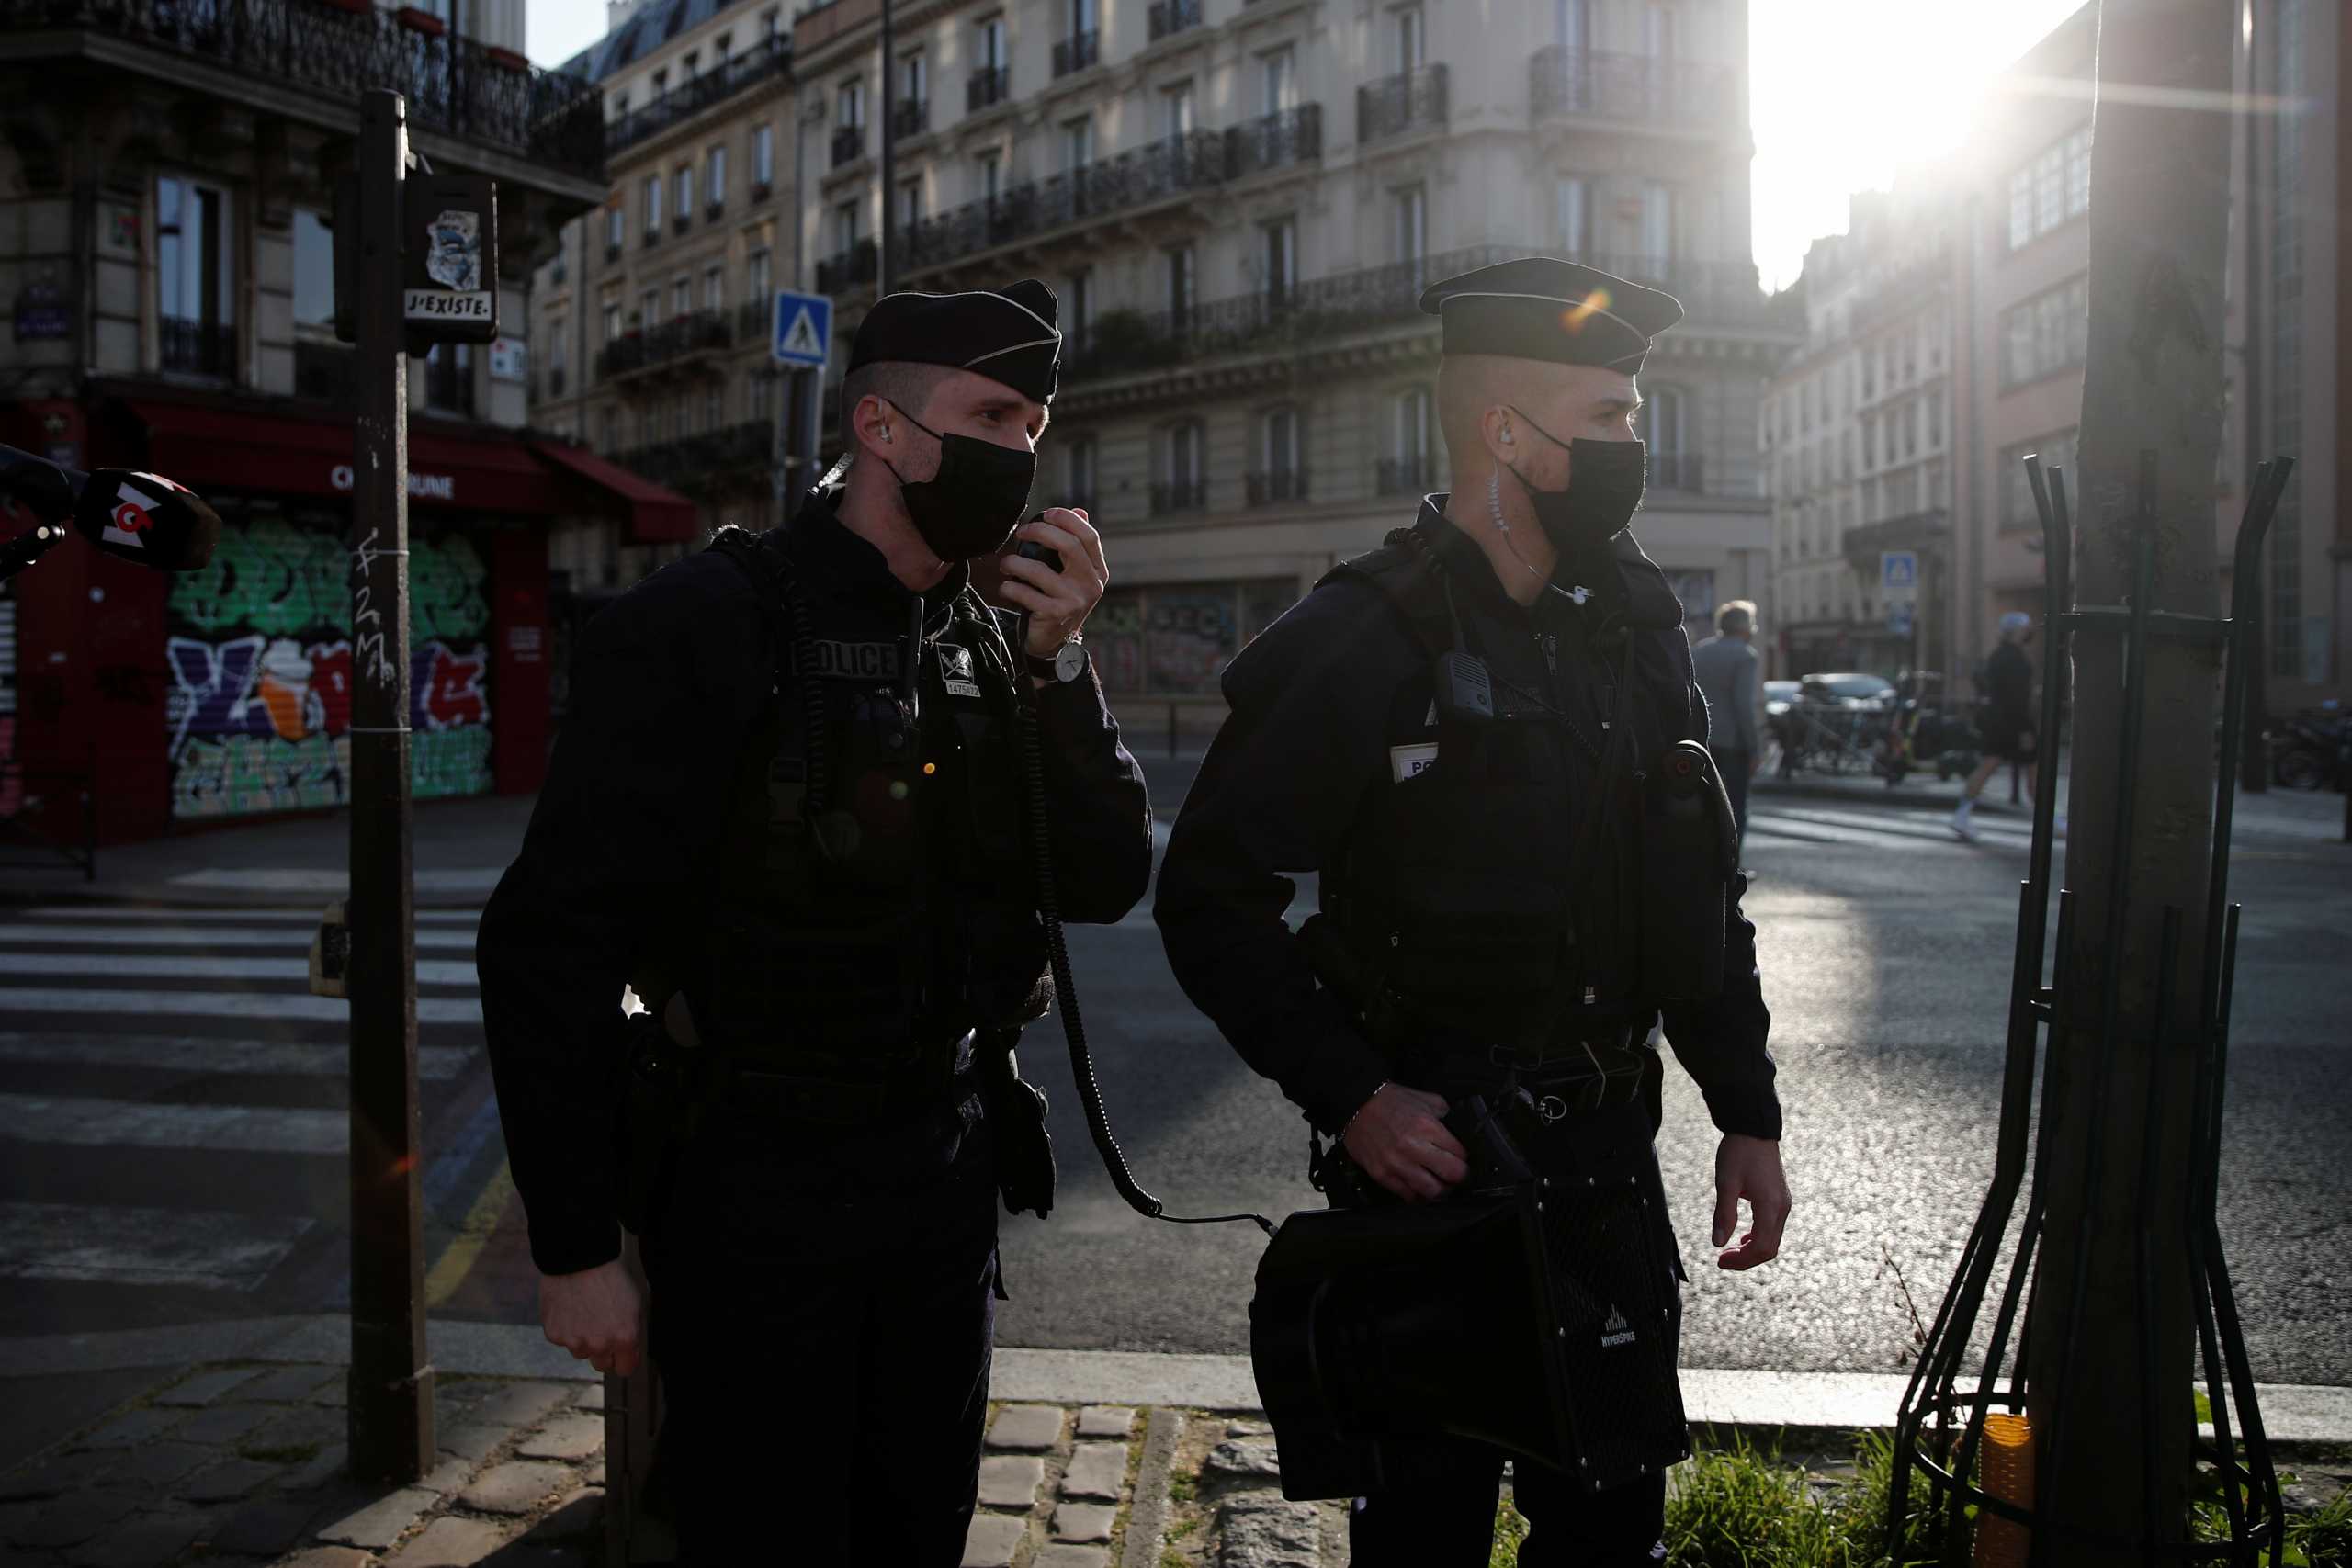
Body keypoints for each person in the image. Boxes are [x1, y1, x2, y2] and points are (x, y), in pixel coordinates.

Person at [475, 280, 1152, 1564]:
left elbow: (1106, 876)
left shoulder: (990, 636)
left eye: (1037, 423)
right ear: (884, 428)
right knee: (757, 1526)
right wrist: (573, 1246)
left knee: (919, 1521)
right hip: (752, 1186)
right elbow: (547, 948)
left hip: (942, 1178)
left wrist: (1063, 667)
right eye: (992, 414)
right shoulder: (704, 626)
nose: (1020, 452)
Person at [1154, 257, 1791, 1567]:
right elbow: (1213, 895)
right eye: (1608, 416)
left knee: (1610, 1530)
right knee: (1426, 1537)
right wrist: (1354, 1094)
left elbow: (1693, 888)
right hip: (1433, 1169)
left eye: (1635, 412)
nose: (1635, 443)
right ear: (1508, 431)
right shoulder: (1364, 631)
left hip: (1608, 1158)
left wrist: (1749, 1107)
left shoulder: (1633, 621)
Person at [1951, 610, 2056, 841]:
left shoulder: (1997, 656)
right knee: (2032, 769)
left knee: (1989, 764)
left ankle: (1963, 813)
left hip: (1996, 720)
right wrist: (2025, 728)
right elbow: (2017, 698)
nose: (2029, 632)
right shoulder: (2016, 660)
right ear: (2017, 631)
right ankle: (2049, 821)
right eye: (2026, 628)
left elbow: (1986, 685)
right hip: (2014, 722)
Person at [1691, 598, 1762, 838]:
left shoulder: (1700, 650)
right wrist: (1754, 748)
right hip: (1733, 742)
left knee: (1703, 805)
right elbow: (1743, 706)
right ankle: (1732, 866)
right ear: (1745, 627)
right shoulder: (1746, 655)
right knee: (1735, 807)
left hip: (1702, 739)